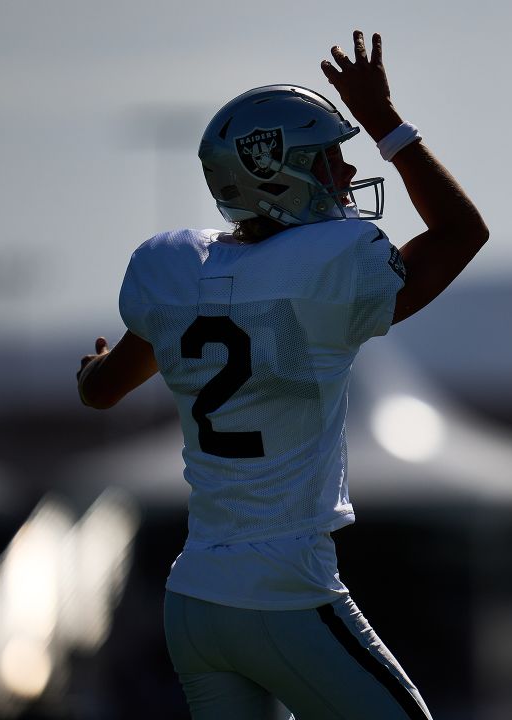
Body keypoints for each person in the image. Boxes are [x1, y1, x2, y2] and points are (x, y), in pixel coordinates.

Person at [76, 31, 487, 720]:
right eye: (331, 161)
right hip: (284, 593)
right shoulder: (330, 268)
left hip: (196, 599)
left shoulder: (175, 271)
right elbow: (458, 233)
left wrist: (91, 371)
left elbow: (104, 389)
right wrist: (384, 119)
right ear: (280, 172)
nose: (349, 176)